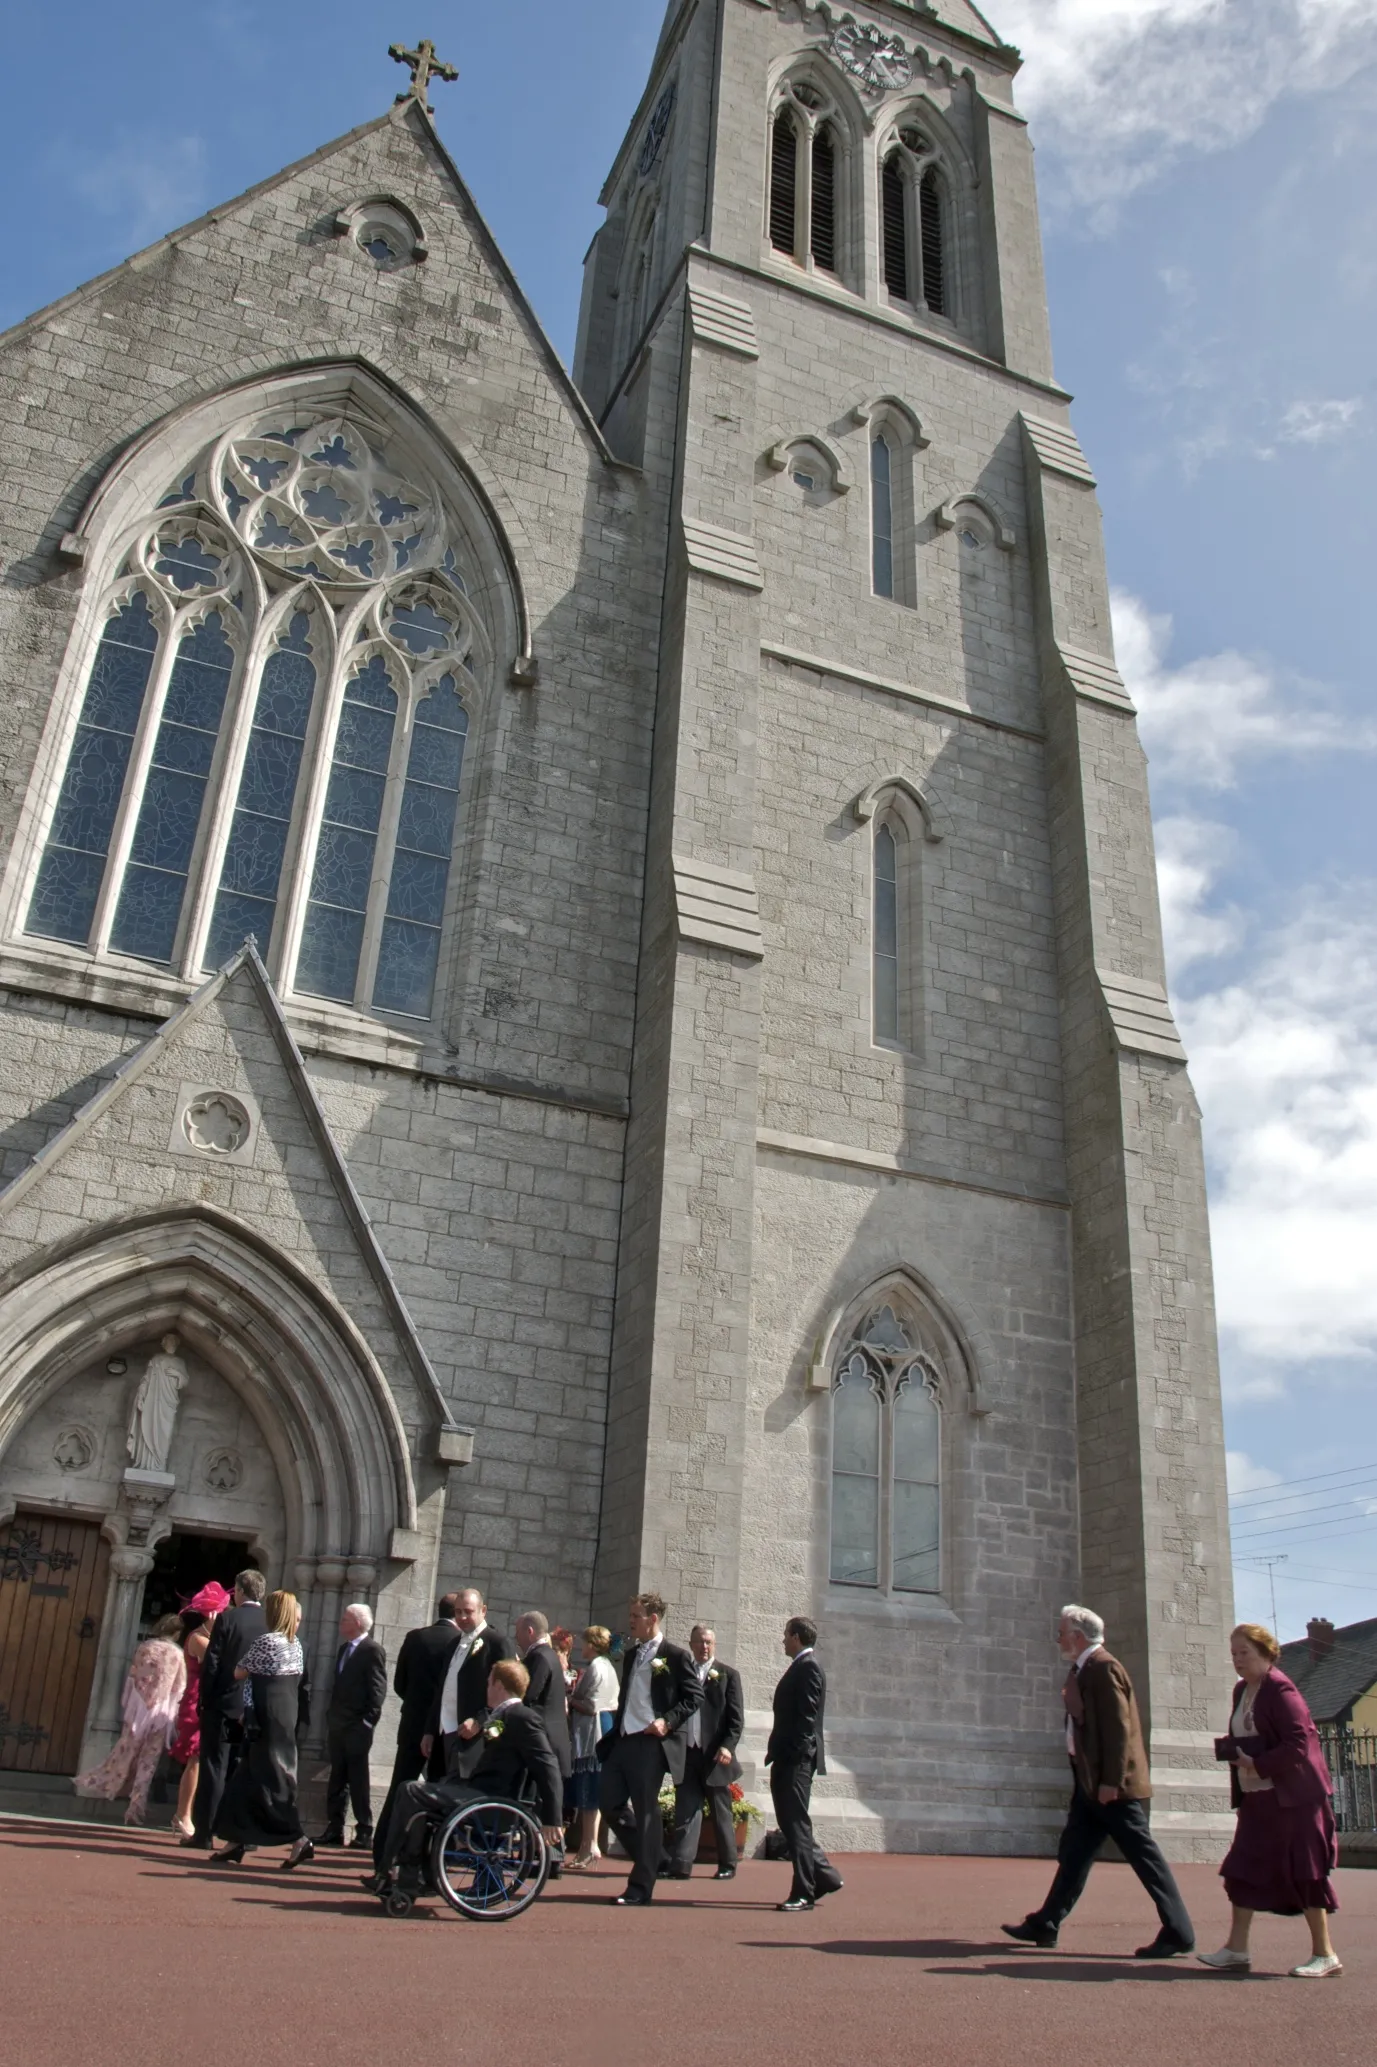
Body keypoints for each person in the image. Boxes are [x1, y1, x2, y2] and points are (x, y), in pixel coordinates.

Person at [1002, 1604, 1194, 1957]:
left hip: (1111, 1789)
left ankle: (1178, 1930)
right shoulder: (1084, 1668)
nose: (1058, 1638)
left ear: (1077, 1637)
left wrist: (1111, 1781)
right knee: (1075, 1854)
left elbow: (1119, 1731)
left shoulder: (1104, 1668)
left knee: (1144, 1857)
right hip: (1090, 1784)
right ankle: (1046, 1922)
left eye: (1061, 1632)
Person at [1198, 1623, 1342, 1979]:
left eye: (1244, 1653)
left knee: (1305, 1871)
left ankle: (1325, 1954)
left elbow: (1298, 1744)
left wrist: (1256, 1762)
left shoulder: (1282, 1690)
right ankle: (1236, 1949)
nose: (1237, 1660)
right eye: (1233, 1654)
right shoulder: (1241, 1690)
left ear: (1265, 1653)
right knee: (1242, 1868)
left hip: (1294, 1801)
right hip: (1257, 1799)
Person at [367, 1658, 564, 1897]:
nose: (486, 1688)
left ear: (499, 1686)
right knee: (417, 1798)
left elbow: (547, 1764)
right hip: (480, 1791)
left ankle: (392, 1870)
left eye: (489, 1683)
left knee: (410, 1790)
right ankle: (408, 1874)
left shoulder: (522, 1717)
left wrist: (553, 1818)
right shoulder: (504, 1715)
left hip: (490, 1799)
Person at [597, 1591, 702, 1906]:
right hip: (624, 1738)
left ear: (653, 1619)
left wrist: (666, 1722)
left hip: (650, 1741)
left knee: (646, 1812)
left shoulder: (675, 1655)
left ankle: (640, 1887)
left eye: (636, 1617)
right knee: (609, 1802)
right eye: (631, 1616)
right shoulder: (632, 1654)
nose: (630, 1622)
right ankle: (655, 1855)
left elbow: (694, 1696)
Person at [209, 1590, 313, 1869]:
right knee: (248, 1777)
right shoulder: (297, 1644)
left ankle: (299, 1839)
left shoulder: (267, 1641)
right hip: (284, 1711)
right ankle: (235, 1841)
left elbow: (239, 1671)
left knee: (272, 1778)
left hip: (266, 1713)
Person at [371, 1594, 461, 1873]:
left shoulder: (415, 1638)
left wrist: (416, 1706)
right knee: (441, 1795)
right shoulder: (459, 1642)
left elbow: (400, 1684)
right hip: (445, 1730)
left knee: (400, 1788)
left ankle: (382, 1856)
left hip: (412, 1725)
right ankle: (428, 1862)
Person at [75, 1614, 187, 1826]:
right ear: (177, 1633)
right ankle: (136, 1805)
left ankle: (110, 1784)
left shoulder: (144, 1647)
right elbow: (180, 1687)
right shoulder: (176, 1654)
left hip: (138, 1709)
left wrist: (129, 1703)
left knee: (126, 1751)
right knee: (149, 1760)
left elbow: (133, 1676)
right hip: (161, 1712)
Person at [766, 1616, 842, 1911]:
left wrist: (796, 1756)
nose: (783, 1640)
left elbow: (807, 1719)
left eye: (786, 1635)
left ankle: (803, 1891)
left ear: (796, 1636)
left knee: (796, 1824)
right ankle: (824, 1876)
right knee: (791, 1822)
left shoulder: (808, 1668)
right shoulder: (801, 1666)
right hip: (788, 1758)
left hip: (795, 1760)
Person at [188, 1568, 267, 1847]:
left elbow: (213, 1662)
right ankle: (239, 1834)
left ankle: (205, 1833)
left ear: (241, 1591)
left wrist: (205, 1700)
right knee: (240, 1768)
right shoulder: (270, 1622)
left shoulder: (228, 1619)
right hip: (252, 1709)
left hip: (223, 1706)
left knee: (215, 1767)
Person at [666, 1624, 745, 1881]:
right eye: (700, 1642)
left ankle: (727, 1864)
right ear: (691, 1644)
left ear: (714, 1645)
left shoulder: (727, 1675)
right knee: (686, 1808)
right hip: (688, 1752)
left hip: (714, 1755)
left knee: (721, 1811)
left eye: (709, 1642)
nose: (704, 1647)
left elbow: (736, 1719)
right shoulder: (682, 1673)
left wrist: (727, 1746)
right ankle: (681, 1864)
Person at [420, 1587, 513, 1777]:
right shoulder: (454, 1644)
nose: (462, 1617)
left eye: (468, 1612)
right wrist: (429, 1730)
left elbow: (510, 1694)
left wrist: (480, 1721)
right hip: (444, 1732)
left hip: (473, 1738)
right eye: (458, 1612)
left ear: (483, 1610)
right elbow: (443, 1689)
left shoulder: (497, 1643)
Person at [320, 1602, 387, 1848]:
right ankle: (334, 1827)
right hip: (338, 1724)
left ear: (357, 1623)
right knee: (337, 1777)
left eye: (345, 1619)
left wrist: (367, 1723)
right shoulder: (343, 1649)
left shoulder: (372, 1650)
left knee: (358, 1779)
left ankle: (364, 1829)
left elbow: (377, 1691)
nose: (341, 1623)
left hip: (357, 1727)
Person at [169, 1581, 231, 1837]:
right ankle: (183, 1815)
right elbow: (220, 1663)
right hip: (196, 1703)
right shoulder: (198, 1639)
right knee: (195, 1758)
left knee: (202, 1759)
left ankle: (189, 1813)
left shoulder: (209, 1637)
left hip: (207, 1701)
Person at [566, 1625, 619, 1869]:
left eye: (585, 1642)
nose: (581, 1646)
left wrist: (569, 1698)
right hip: (603, 1725)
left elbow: (589, 1705)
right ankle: (590, 1843)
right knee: (592, 1791)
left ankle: (589, 1845)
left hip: (593, 1729)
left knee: (588, 1789)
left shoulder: (597, 1666)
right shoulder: (607, 1666)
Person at [515, 1610, 573, 1783]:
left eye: (518, 1632)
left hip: (544, 1742)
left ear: (529, 1632)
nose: (515, 1637)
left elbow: (529, 1696)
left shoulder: (539, 1657)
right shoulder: (548, 1655)